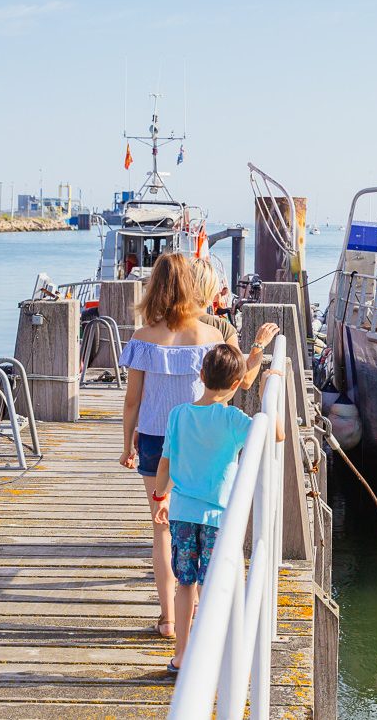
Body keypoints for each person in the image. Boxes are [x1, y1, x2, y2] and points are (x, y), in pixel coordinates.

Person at [119, 253, 279, 640]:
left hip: (155, 437)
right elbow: (236, 381)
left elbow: (132, 401)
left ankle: (168, 619)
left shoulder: (143, 338)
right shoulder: (211, 337)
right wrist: (260, 353)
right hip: (196, 435)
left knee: (161, 529)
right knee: (196, 523)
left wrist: (127, 445)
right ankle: (202, 614)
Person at [151, 343, 285, 674]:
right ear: (238, 383)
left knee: (185, 583)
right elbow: (277, 434)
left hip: (182, 512)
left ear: (201, 375)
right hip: (217, 517)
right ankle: (211, 655)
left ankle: (181, 655)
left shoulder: (178, 414)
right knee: (213, 584)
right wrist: (266, 390)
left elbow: (165, 465)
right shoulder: (233, 419)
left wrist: (160, 498)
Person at [190, 257, 278, 388]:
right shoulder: (221, 328)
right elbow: (245, 379)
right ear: (211, 289)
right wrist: (259, 344)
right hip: (206, 400)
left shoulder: (162, 324)